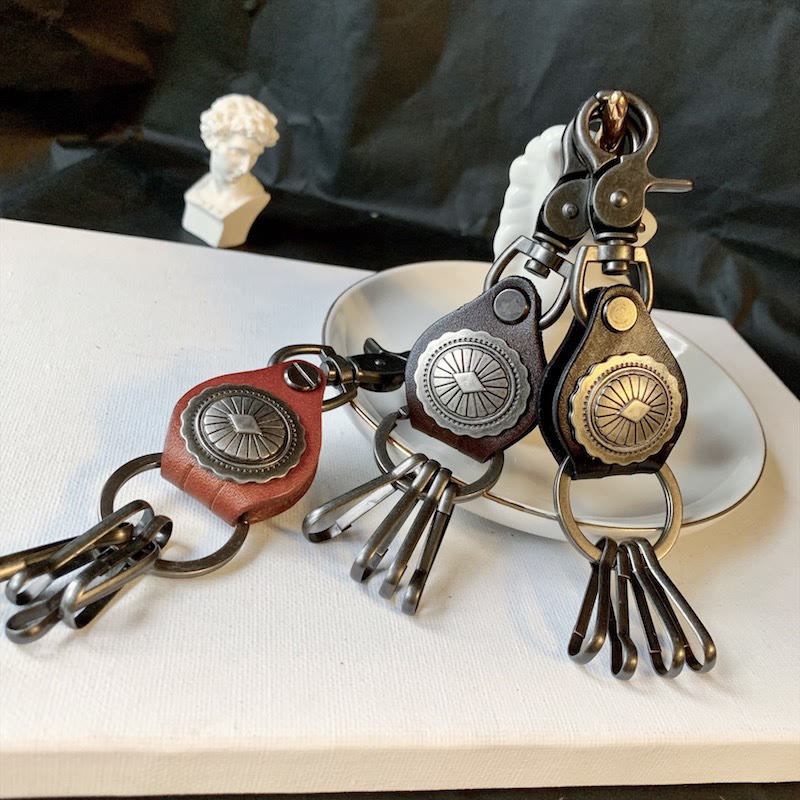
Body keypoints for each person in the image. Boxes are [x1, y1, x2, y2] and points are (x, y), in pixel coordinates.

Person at [182, 94, 279, 248]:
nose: (245, 167)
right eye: (237, 152)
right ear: (213, 140)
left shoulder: (251, 198)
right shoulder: (202, 187)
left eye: (254, 156)